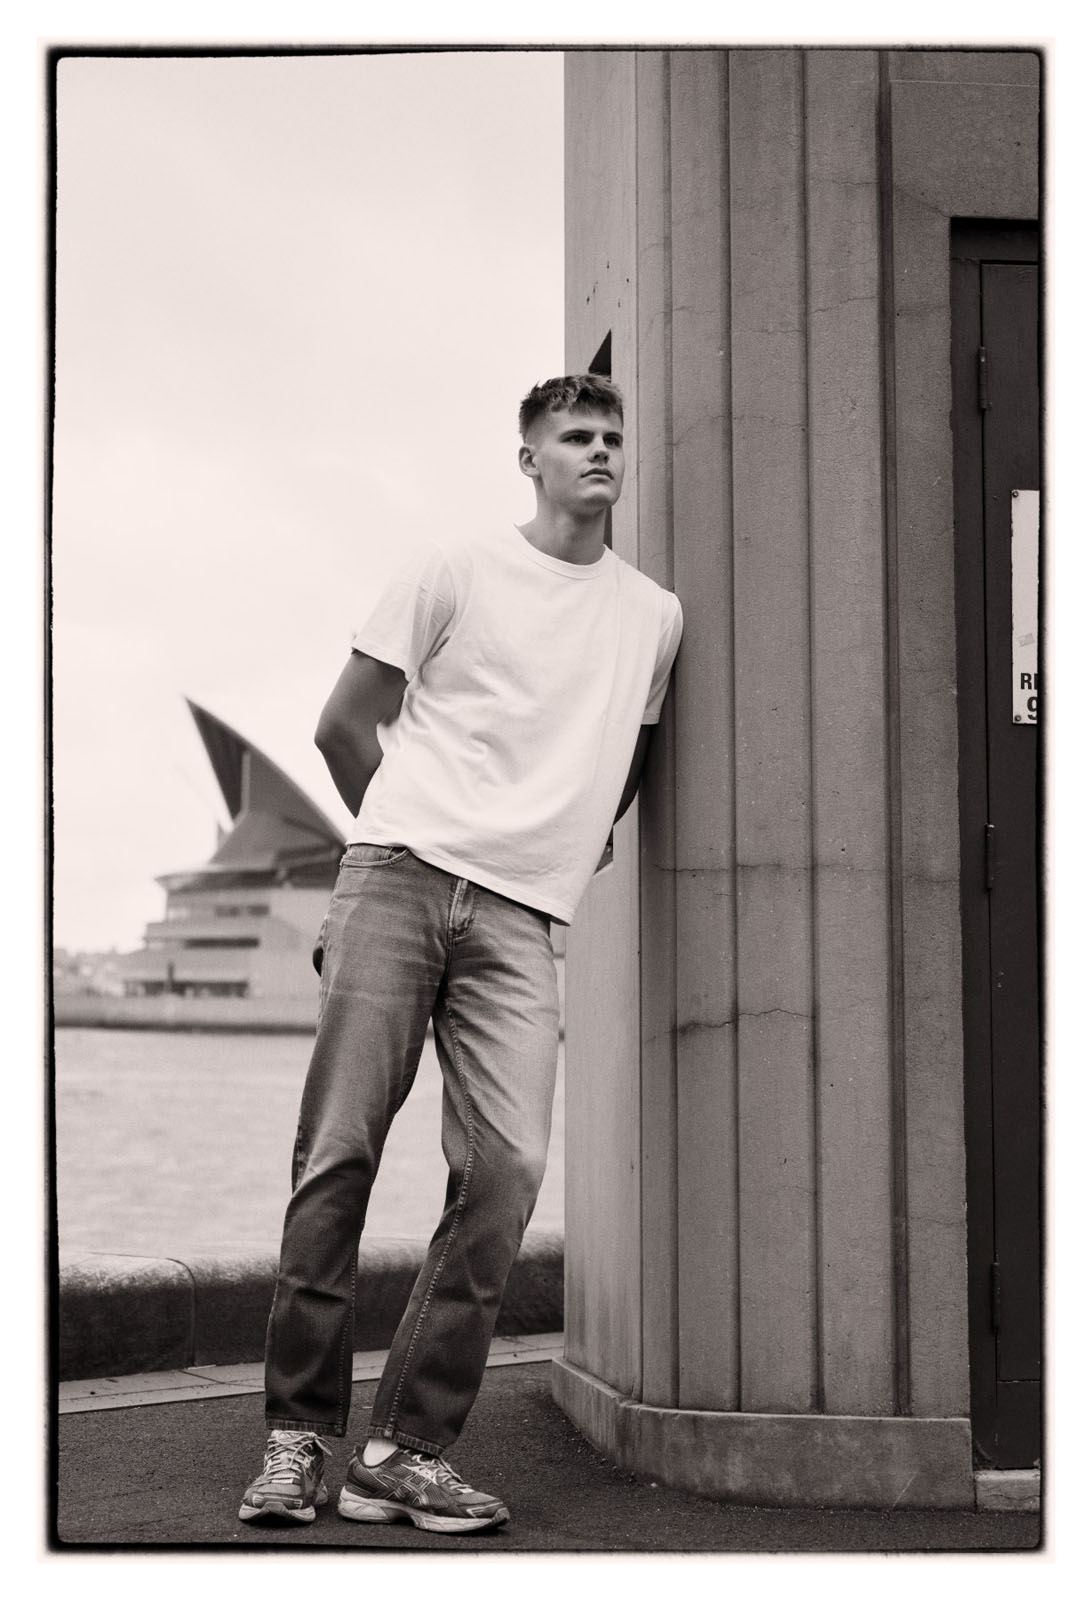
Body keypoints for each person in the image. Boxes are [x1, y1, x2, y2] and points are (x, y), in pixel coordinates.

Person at [238, 373, 683, 1534]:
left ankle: (403, 1449)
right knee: (337, 1156)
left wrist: (553, 857)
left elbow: (626, 764)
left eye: (611, 437)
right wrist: (397, 839)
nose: (598, 452)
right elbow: (343, 726)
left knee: (507, 1173)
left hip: (523, 920)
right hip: (396, 875)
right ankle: (296, 1440)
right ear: (528, 458)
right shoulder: (453, 568)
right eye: (573, 436)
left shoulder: (652, 616)